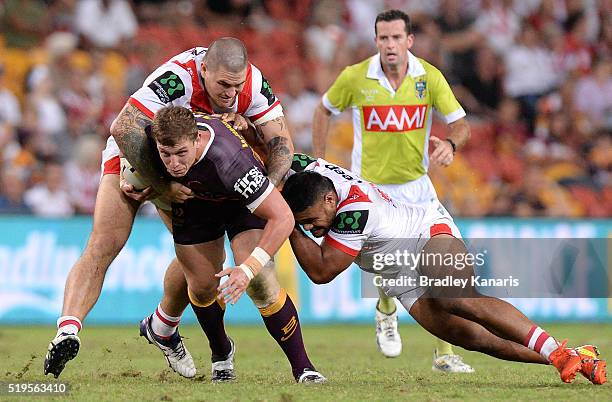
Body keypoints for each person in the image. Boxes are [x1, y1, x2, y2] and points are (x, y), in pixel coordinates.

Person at [42, 37, 303, 382]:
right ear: (204, 69)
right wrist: (160, 183)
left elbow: (282, 146)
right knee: (105, 242)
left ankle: (163, 326)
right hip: (138, 159)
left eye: (236, 87)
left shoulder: (252, 84)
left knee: (205, 264)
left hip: (193, 167)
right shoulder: (178, 78)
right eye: (223, 85)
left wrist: (261, 194)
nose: (230, 94)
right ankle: (67, 331)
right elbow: (124, 127)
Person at [281, 154, 607, 385]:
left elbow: (322, 272)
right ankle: (574, 356)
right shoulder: (312, 169)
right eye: (304, 224)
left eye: (311, 220)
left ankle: (557, 352)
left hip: (424, 230)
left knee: (457, 298)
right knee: (476, 339)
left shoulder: (355, 211)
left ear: (328, 199)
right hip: (399, 273)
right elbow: (284, 154)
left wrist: (285, 222)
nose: (312, 229)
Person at [312, 9, 472, 371]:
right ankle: (386, 308)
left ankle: (444, 355)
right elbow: (323, 110)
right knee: (393, 267)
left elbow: (461, 123)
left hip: (418, 189)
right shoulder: (355, 77)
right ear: (376, 42)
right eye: (383, 38)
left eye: (397, 37)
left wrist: (451, 145)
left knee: (442, 267)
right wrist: (320, 163)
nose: (390, 45)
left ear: (409, 41)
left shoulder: (428, 77)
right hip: (373, 191)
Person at [146, 106, 324, 383]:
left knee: (261, 283)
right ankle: (221, 353)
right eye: (165, 155)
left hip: (242, 203)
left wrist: (248, 269)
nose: (173, 164)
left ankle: (304, 368)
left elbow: (283, 218)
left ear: (197, 141)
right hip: (193, 204)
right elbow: (128, 159)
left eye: (181, 153)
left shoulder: (231, 161)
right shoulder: (153, 137)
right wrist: (148, 181)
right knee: (202, 286)